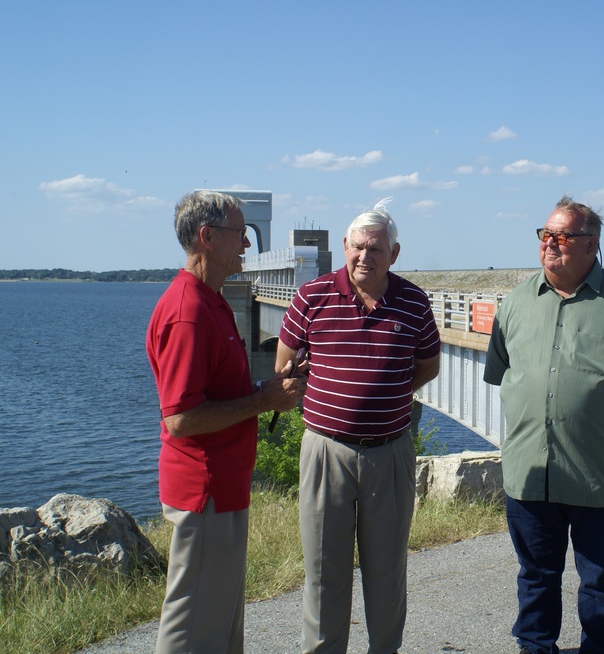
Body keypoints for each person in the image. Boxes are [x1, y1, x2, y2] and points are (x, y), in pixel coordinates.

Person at [483, 195, 604, 654]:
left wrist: (599, 405)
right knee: (535, 577)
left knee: (601, 581)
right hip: (531, 475)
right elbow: (503, 370)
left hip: (596, 475)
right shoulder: (515, 304)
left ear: (592, 245)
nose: (551, 244)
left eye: (563, 236)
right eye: (545, 235)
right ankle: (535, 646)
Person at [276, 201, 441, 654]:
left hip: (389, 453)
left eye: (376, 249)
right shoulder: (312, 296)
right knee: (324, 574)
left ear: (395, 252)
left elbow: (427, 366)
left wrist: (382, 390)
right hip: (325, 451)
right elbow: (285, 367)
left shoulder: (413, 301)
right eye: (358, 247)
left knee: (386, 574)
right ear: (345, 246)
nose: (365, 256)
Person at [146, 190, 306, 654]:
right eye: (240, 235)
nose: (247, 247)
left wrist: (264, 393)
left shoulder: (208, 301)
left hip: (220, 492)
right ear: (207, 237)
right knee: (193, 627)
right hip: (205, 493)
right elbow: (180, 417)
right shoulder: (188, 313)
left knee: (217, 627)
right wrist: (264, 402)